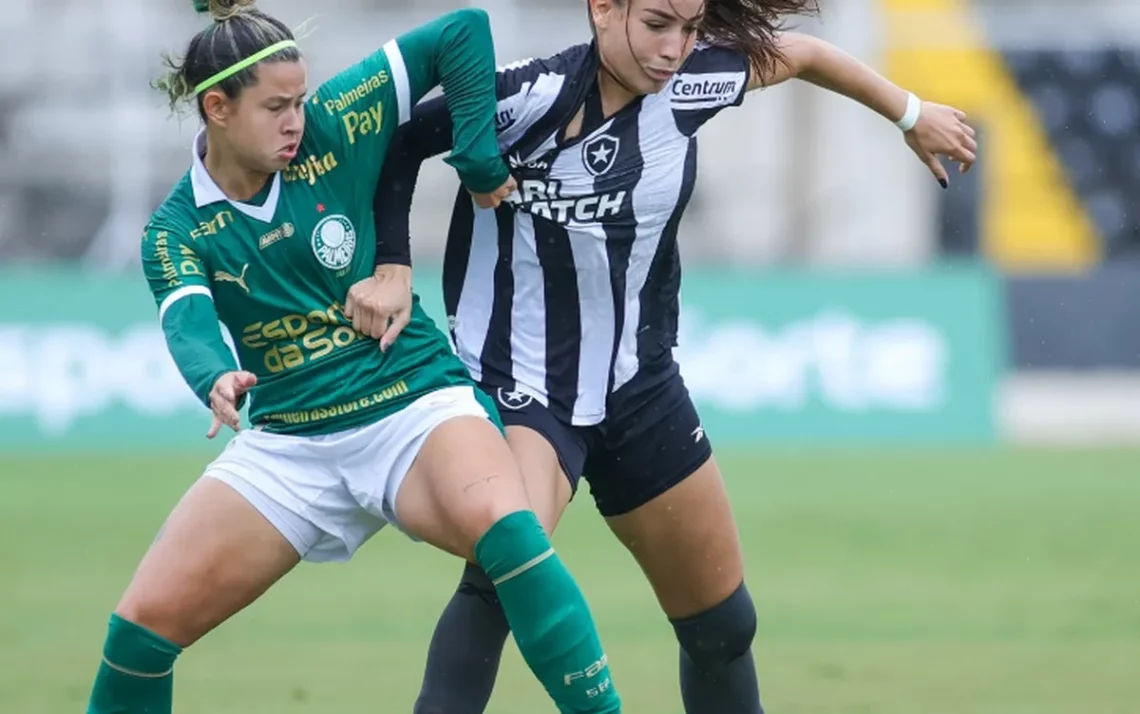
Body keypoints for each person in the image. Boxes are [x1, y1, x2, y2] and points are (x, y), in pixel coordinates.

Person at [350, 0, 978, 712]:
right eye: (657, 24)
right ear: (603, 10)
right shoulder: (523, 97)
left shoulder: (692, 85)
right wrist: (392, 267)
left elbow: (803, 55)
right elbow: (397, 144)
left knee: (723, 626)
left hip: (640, 389)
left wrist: (909, 114)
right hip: (522, 388)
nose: (676, 47)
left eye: (689, 26)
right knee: (501, 578)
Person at [83, 1, 626, 713]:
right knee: (139, 632)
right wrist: (213, 375)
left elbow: (462, 30)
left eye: (301, 100)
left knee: (509, 528)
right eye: (276, 107)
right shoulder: (175, 229)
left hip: (410, 403)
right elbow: (187, 319)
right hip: (287, 444)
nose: (296, 121)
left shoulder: (335, 122)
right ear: (216, 107)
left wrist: (477, 156)